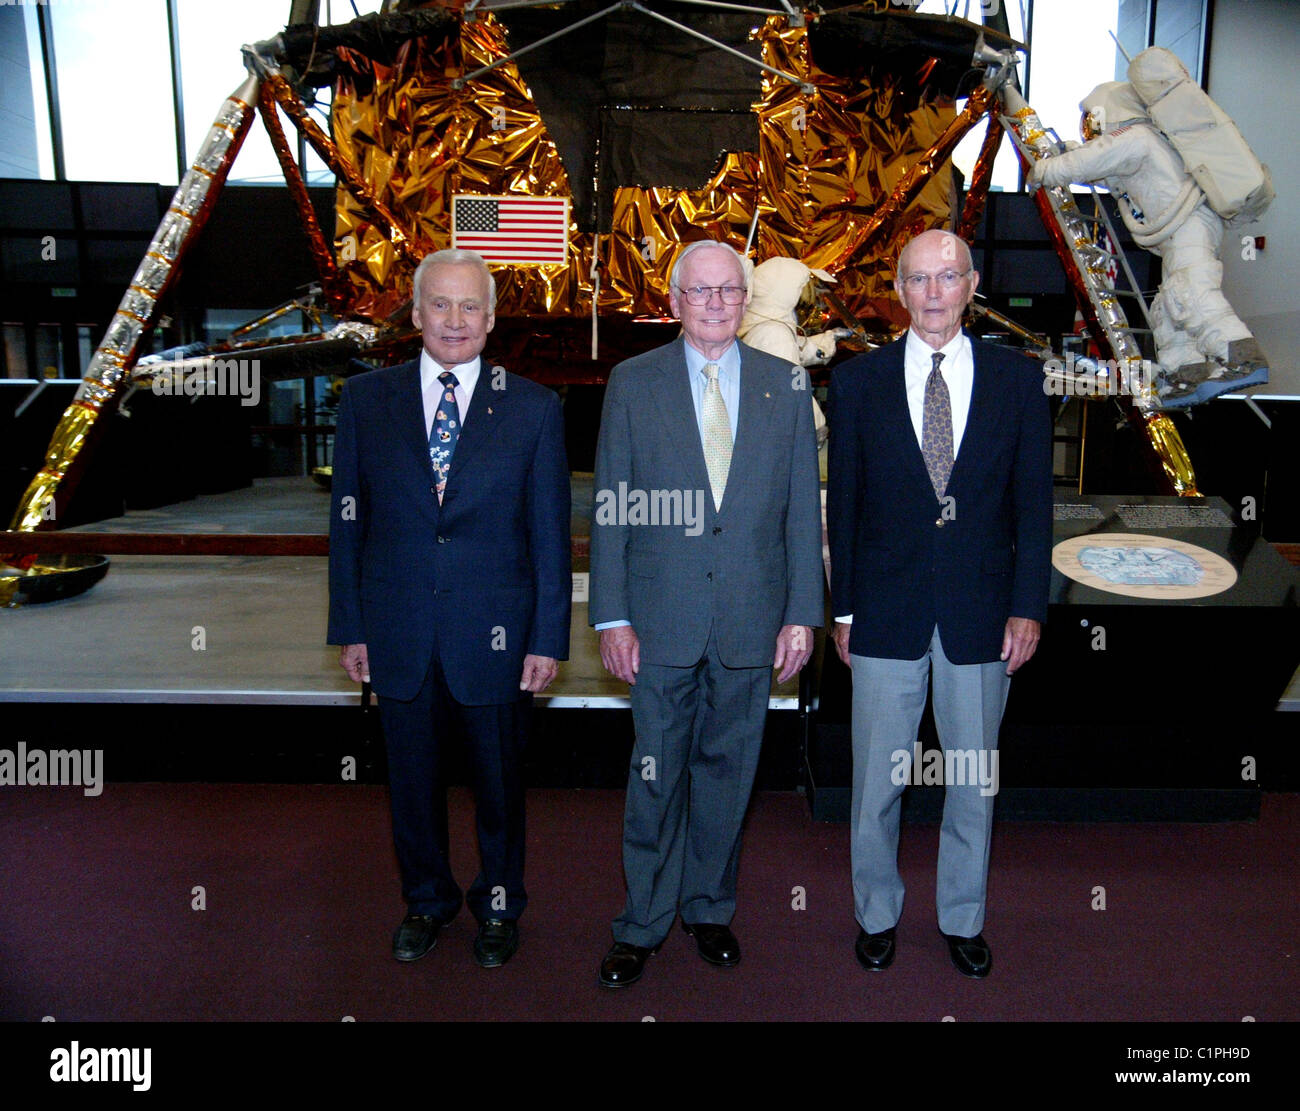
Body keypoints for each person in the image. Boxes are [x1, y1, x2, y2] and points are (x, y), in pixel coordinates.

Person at [328, 248, 571, 969]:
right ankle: (426, 901)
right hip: (397, 632)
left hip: (495, 640)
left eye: (470, 306)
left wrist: (547, 637)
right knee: (411, 787)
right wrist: (350, 626)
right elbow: (348, 525)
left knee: (499, 788)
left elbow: (550, 536)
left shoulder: (533, 408)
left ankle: (499, 906)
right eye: (440, 303)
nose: (455, 319)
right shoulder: (366, 403)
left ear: (492, 320)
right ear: (415, 311)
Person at [589, 239, 823, 987]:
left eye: (729, 291)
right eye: (701, 291)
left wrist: (801, 614)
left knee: (729, 773)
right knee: (655, 774)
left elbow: (798, 513)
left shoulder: (785, 384)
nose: (717, 303)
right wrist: (611, 615)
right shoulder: (632, 382)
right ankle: (642, 921)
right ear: (674, 301)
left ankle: (708, 907)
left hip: (752, 619)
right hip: (659, 620)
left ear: (745, 299)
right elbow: (613, 508)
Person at [827, 229, 1051, 979]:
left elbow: (1034, 508)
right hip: (884, 616)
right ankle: (876, 912)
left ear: (972, 283)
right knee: (877, 781)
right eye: (918, 279)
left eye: (947, 277)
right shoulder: (857, 383)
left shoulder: (1019, 381)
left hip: (982, 617)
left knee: (973, 780)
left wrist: (1028, 607)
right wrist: (845, 610)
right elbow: (845, 510)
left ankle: (962, 916)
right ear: (898, 289)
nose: (932, 293)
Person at [1028, 78, 1267, 406]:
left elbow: (1089, 161)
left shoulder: (1135, 137)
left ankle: (1241, 356)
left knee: (1190, 292)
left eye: (1090, 119)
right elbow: (1096, 164)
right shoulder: (1134, 144)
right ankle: (1186, 372)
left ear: (1104, 111)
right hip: (1181, 230)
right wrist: (1066, 151)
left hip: (1189, 226)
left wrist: (1045, 170)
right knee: (1168, 304)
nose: (1089, 129)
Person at [737, 256, 851, 480]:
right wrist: (819, 430)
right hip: (781, 449)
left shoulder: (762, 323)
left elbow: (798, 348)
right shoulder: (774, 335)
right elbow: (793, 397)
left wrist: (830, 339)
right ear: (787, 294)